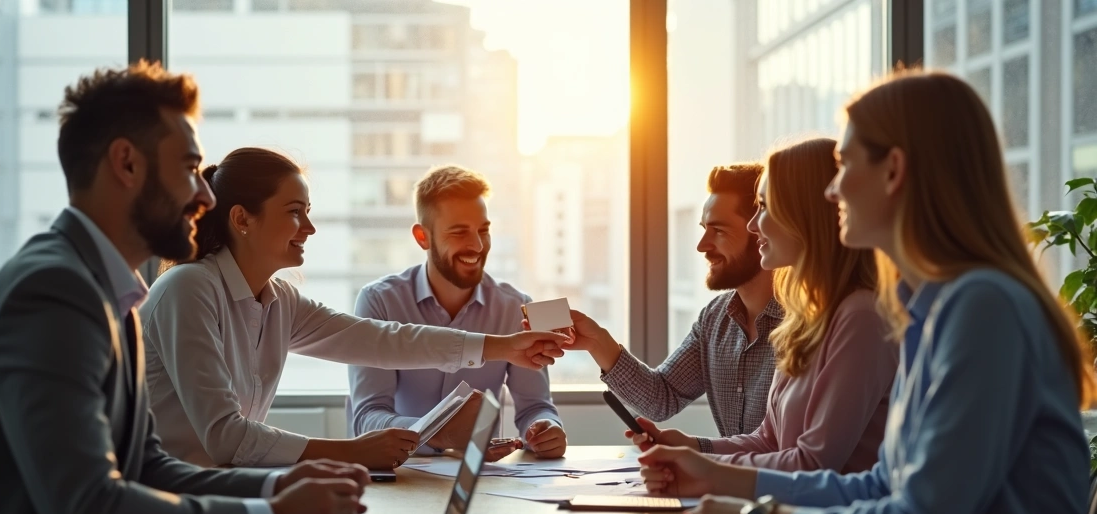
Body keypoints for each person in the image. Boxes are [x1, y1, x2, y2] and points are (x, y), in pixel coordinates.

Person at [0, 62, 374, 514]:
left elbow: (148, 467)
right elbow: (89, 512)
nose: (204, 195)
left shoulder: (109, 293)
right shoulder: (51, 291)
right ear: (126, 164)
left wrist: (279, 486)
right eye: (191, 169)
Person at [638, 70, 1097, 514]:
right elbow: (880, 486)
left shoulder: (983, 310)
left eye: (847, 165)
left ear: (895, 170)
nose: (832, 191)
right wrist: (720, 476)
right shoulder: (931, 309)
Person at [141, 150, 568, 471]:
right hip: (170, 499)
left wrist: (503, 346)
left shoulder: (279, 298)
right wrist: (351, 453)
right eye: (295, 213)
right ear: (242, 219)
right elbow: (225, 437)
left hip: (225, 491)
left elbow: (381, 339)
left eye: (307, 213)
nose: (309, 228)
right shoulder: (188, 288)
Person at [624, 138, 895, 472]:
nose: (754, 225)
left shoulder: (861, 317)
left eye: (764, 206)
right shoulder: (805, 317)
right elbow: (769, 440)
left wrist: (703, 470)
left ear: (803, 214)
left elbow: (812, 464)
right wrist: (694, 449)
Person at [347, 166, 566, 460]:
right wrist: (438, 435)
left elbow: (536, 406)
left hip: (479, 480)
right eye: (459, 232)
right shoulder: (379, 302)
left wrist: (544, 429)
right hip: (403, 474)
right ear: (423, 237)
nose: (476, 245)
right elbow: (367, 418)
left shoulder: (516, 306)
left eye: (483, 230)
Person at [562, 164, 781, 438]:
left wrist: (693, 452)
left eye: (719, 231)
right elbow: (661, 398)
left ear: (761, 232)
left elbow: (793, 454)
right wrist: (597, 341)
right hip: (730, 480)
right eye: (704, 229)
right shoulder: (714, 319)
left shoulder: (809, 321)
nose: (702, 245)